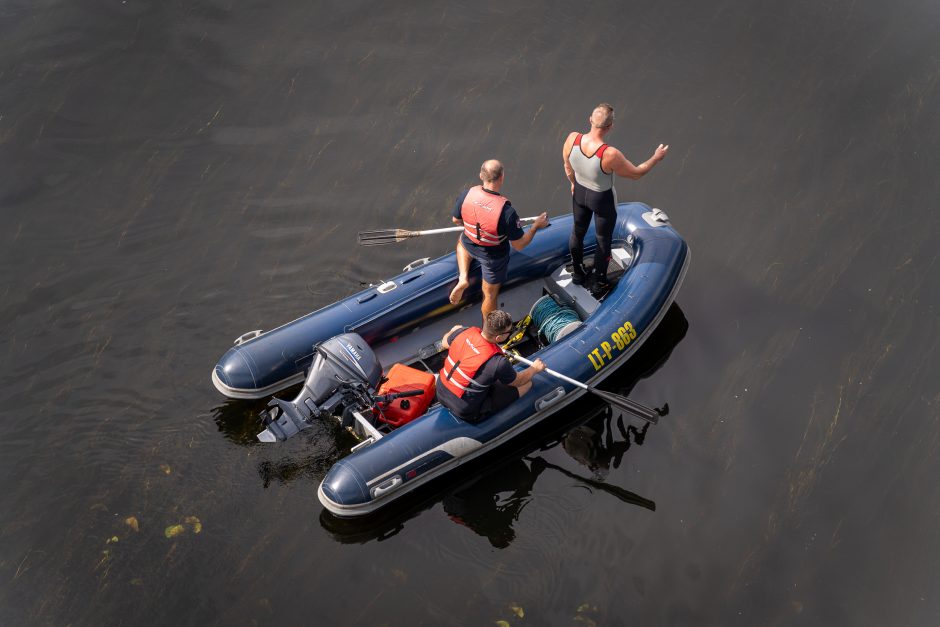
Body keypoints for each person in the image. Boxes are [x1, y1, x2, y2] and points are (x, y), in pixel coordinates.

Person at [562, 103, 669, 297]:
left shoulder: (572, 138)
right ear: (610, 127)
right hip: (601, 199)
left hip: (579, 192)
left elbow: (567, 164)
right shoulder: (609, 154)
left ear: (590, 120)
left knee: (577, 233)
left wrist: (572, 183)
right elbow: (637, 173)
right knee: (603, 240)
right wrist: (656, 157)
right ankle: (598, 282)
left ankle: (578, 273)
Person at [448, 159, 549, 320]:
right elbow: (519, 244)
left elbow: (456, 220)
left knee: (462, 242)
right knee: (489, 295)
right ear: (502, 177)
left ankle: (463, 277)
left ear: (481, 175)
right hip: (492, 256)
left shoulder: (466, 195)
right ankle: (490, 329)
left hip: (469, 243)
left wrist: (472, 225)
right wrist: (536, 225)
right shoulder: (507, 212)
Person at [436, 310, 546, 423]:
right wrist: (534, 369)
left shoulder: (464, 332)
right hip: (465, 409)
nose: (511, 332)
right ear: (498, 338)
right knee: (527, 384)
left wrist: (455, 330)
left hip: (440, 390)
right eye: (510, 331)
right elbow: (519, 381)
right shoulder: (499, 362)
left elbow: (445, 342)